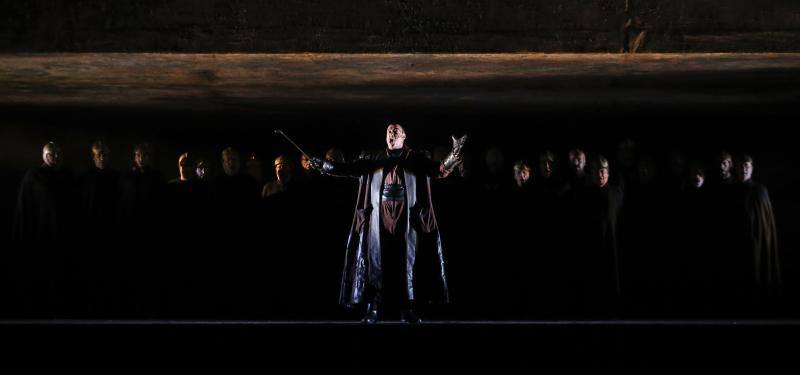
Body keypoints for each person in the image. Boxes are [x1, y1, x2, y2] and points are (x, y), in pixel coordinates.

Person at [309, 123, 466, 323]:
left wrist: (454, 155)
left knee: (405, 262)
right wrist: (324, 165)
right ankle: (373, 307)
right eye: (389, 132)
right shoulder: (372, 158)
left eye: (396, 131)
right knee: (376, 260)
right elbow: (349, 169)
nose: (392, 134)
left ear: (404, 136)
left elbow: (439, 170)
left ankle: (407, 308)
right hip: (378, 216)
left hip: (407, 218)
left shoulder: (416, 158)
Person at [12, 142, 73, 241]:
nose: (56, 156)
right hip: (41, 224)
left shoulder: (65, 174)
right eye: (52, 154)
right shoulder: (34, 175)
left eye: (58, 153)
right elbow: (25, 203)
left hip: (62, 224)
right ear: (45, 155)